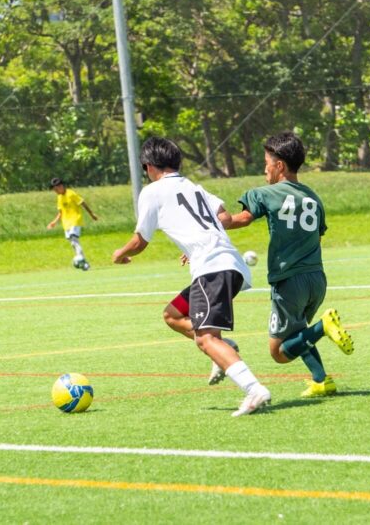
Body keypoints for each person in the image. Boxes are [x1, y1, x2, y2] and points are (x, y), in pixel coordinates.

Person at [112, 136, 271, 417]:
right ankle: (225, 349)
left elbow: (140, 241)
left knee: (205, 339)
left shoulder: (152, 191)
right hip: (229, 266)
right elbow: (224, 217)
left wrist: (120, 254)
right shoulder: (194, 187)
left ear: (149, 166)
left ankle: (254, 389)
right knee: (172, 314)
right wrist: (198, 240)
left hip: (212, 268)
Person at [223, 132, 354, 399]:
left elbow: (242, 219)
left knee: (279, 352)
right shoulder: (313, 198)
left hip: (289, 280)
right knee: (298, 333)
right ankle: (321, 380)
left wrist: (211, 224)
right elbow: (317, 237)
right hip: (316, 279)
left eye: (266, 163)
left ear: (279, 165)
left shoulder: (265, 194)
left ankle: (324, 326)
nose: (265, 169)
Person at [47, 177, 98, 270]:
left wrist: (92, 214)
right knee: (73, 243)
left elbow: (82, 203)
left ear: (61, 186)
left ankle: (83, 261)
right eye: (54, 190)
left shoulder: (71, 194)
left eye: (56, 189)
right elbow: (61, 212)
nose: (55, 191)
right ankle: (83, 261)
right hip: (66, 223)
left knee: (74, 239)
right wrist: (54, 222)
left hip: (75, 220)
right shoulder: (59, 197)